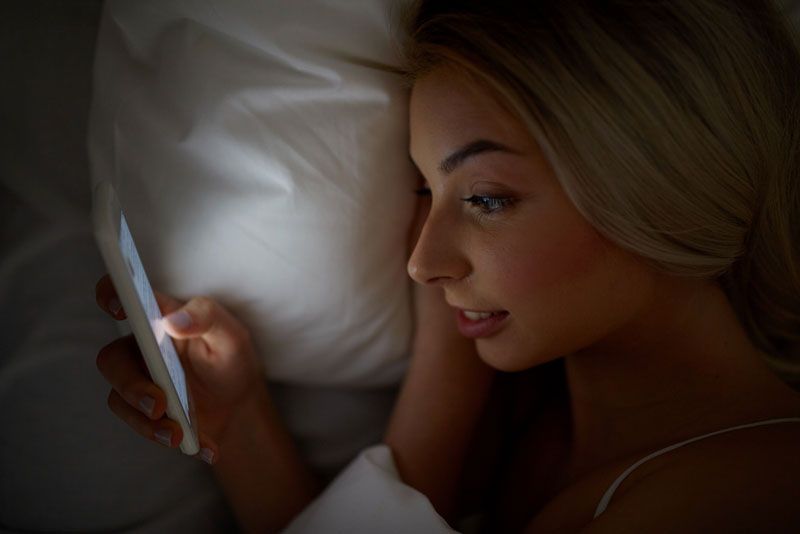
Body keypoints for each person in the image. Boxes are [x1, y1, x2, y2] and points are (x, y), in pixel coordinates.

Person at [95, 0, 800, 531]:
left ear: (663, 181)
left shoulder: (742, 492)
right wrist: (241, 418)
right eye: (424, 190)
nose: (420, 265)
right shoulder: (538, 413)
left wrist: (448, 361)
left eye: (487, 198)